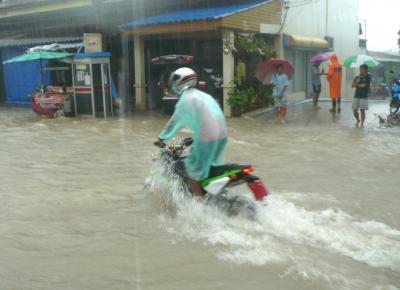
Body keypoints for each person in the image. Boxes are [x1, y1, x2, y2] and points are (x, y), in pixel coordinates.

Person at [154, 67, 228, 199]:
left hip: (207, 137)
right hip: (222, 136)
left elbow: (174, 122)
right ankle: (215, 195)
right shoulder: (205, 96)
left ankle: (198, 201)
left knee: (191, 168)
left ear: (180, 81)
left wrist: (161, 138)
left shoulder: (186, 99)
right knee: (209, 167)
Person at [352, 64, 371, 128]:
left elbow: (364, 85)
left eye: (362, 69)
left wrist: (356, 85)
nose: (361, 71)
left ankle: (362, 124)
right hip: (356, 95)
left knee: (362, 110)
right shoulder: (357, 77)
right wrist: (357, 81)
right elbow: (352, 85)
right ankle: (358, 120)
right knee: (354, 110)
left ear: (366, 70)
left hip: (363, 96)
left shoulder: (368, 77)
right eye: (360, 69)